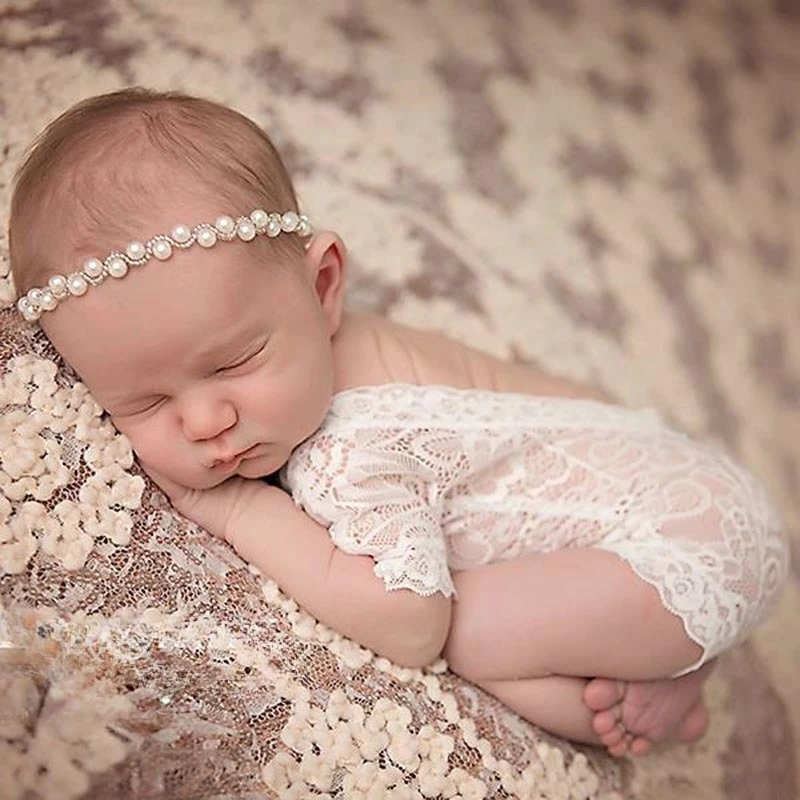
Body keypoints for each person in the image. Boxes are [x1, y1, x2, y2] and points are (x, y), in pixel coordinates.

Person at [9, 88, 788, 758]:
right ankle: (667, 655)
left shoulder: (354, 443)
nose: (208, 420)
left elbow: (410, 626)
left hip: (680, 549)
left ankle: (667, 681)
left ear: (323, 286)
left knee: (459, 635)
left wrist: (239, 507)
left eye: (233, 362)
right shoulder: (365, 344)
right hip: (688, 493)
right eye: (143, 403)